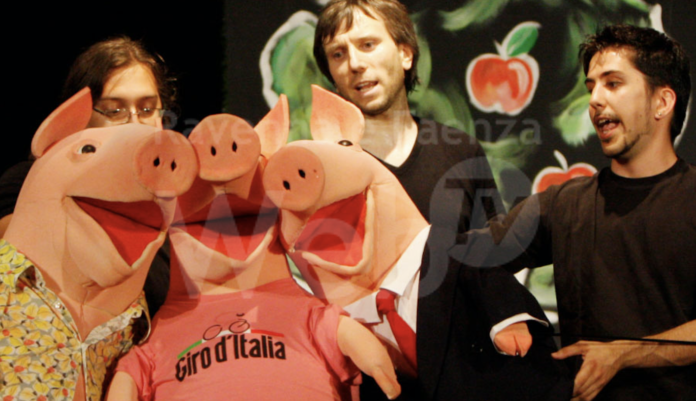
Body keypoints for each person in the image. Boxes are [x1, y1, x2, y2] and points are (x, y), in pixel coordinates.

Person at [313, 1, 572, 399]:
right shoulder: (319, 171)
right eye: (338, 54)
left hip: (464, 379)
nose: (355, 63)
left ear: (405, 54)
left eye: (367, 44)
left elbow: (492, 257)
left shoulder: (458, 152)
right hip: (371, 384)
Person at [460, 24, 695, 400]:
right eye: (591, 87)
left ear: (662, 102)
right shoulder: (563, 204)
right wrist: (509, 313)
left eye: (613, 83)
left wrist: (624, 354)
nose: (595, 100)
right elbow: (467, 255)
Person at [0, 36, 175, 317]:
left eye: (146, 109)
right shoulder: (25, 183)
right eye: (114, 110)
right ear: (79, 115)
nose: (135, 123)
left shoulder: (171, 201)